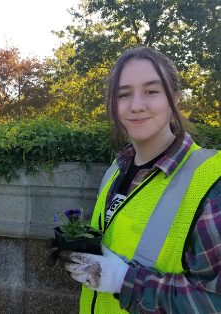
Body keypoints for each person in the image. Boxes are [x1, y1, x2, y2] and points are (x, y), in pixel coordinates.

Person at [59, 46, 221, 313]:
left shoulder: (211, 181)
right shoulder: (116, 170)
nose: (136, 105)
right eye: (124, 94)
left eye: (151, 91)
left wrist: (123, 281)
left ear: (175, 98)